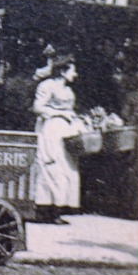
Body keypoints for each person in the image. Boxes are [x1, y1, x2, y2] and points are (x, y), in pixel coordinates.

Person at [31, 55, 84, 223]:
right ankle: (45, 209)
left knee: (66, 167)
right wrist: (59, 113)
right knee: (51, 166)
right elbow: (38, 107)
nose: (75, 75)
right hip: (51, 129)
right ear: (62, 71)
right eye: (72, 70)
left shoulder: (68, 90)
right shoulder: (47, 86)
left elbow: (70, 110)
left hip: (66, 131)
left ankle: (59, 207)